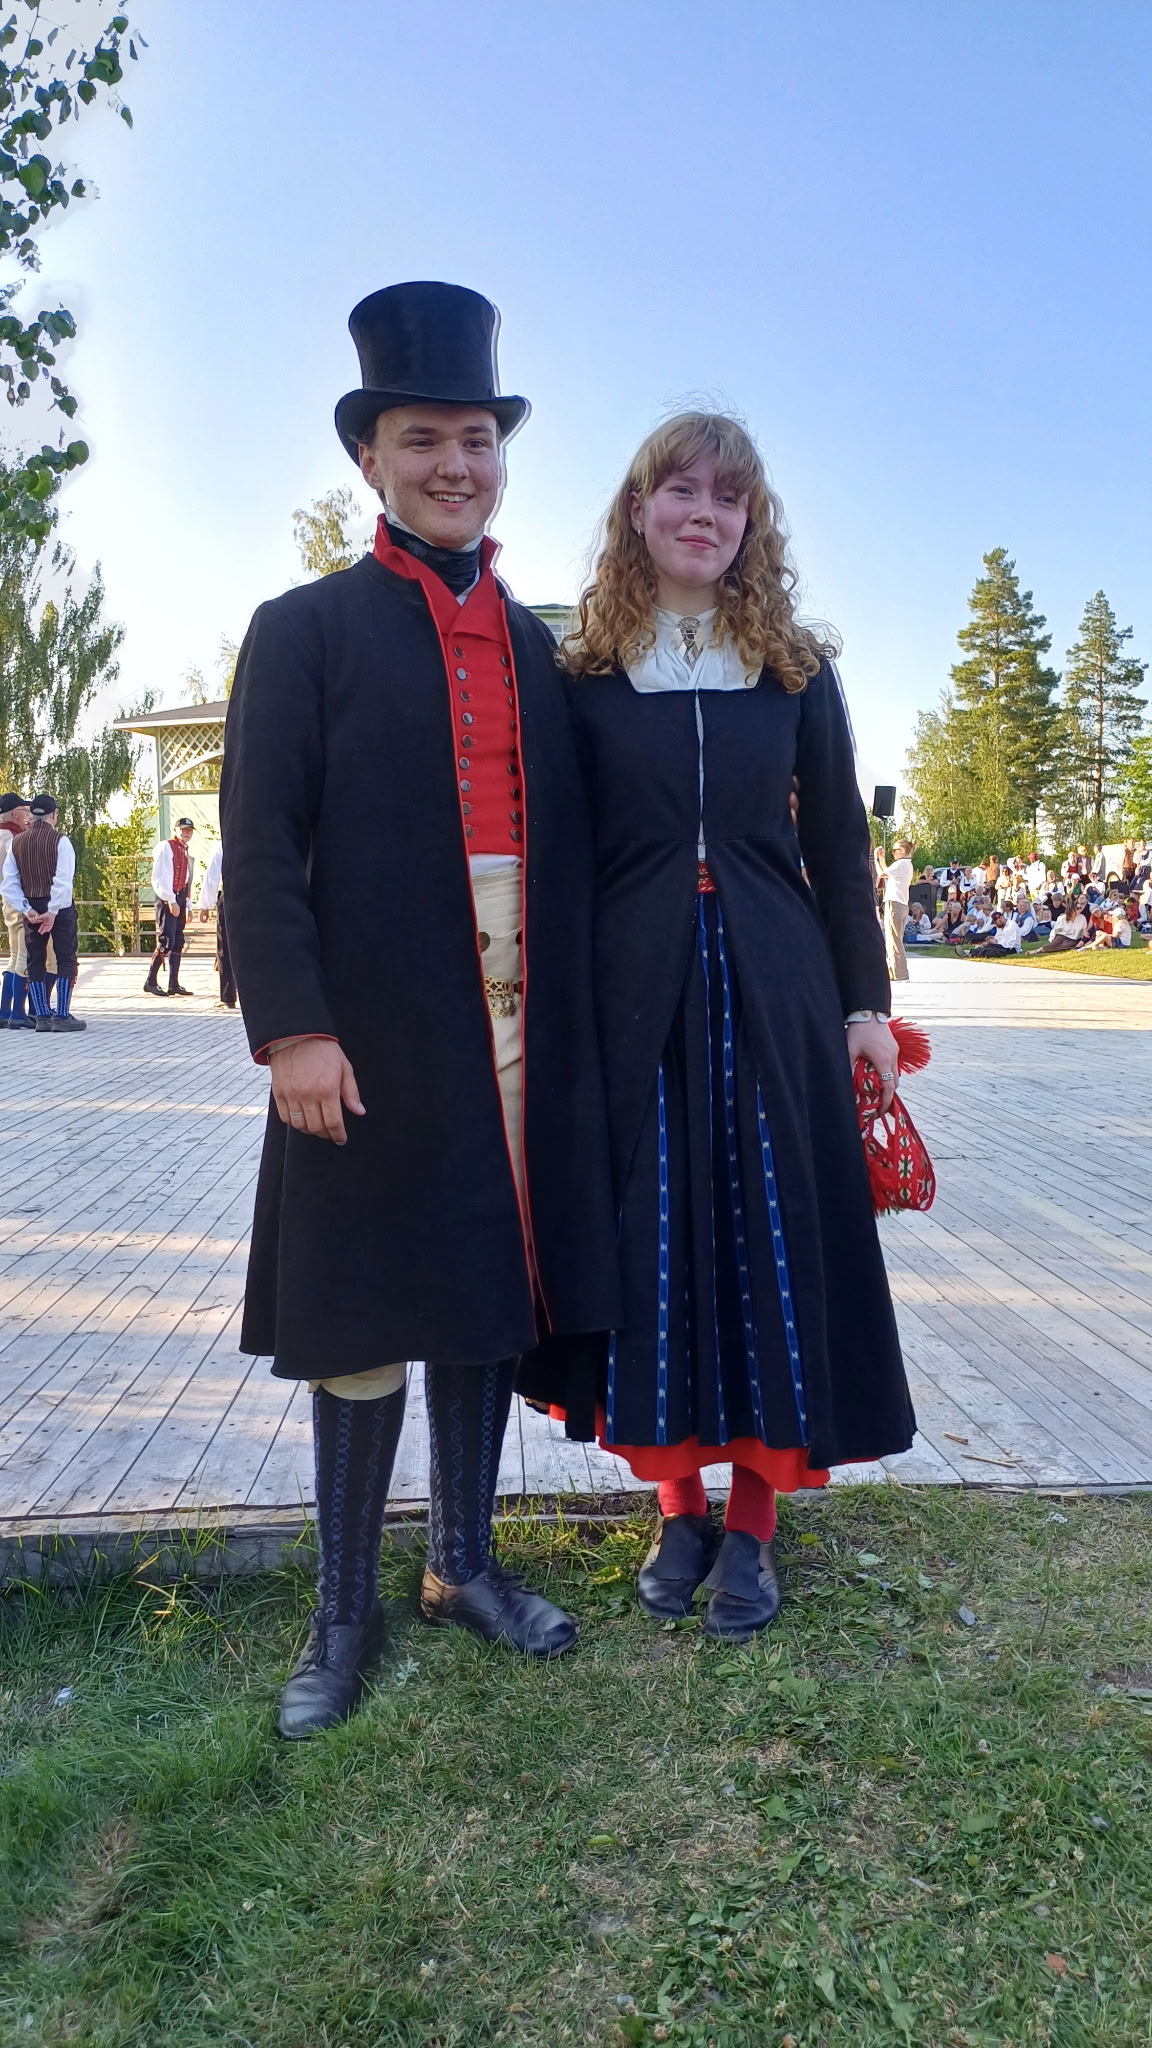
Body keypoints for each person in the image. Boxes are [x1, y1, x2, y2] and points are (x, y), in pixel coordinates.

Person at [219, 280, 619, 1737]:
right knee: (358, 1313)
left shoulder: (544, 642)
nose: (456, 464)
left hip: (522, 1013)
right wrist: (293, 1027)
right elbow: (258, 840)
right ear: (371, 459)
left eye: (476, 438)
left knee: (484, 1287)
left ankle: (461, 1566)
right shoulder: (304, 627)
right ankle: (343, 1613)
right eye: (423, 439)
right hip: (369, 1017)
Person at [521, 410, 914, 1643]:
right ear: (637, 510)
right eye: (679, 489)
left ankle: (754, 1521)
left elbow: (841, 850)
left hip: (773, 986)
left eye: (727, 497)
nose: (703, 511)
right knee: (653, 1241)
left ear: (753, 524)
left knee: (767, 1236)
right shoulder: (582, 669)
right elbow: (554, 851)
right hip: (627, 993)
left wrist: (866, 1009)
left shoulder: (794, 666)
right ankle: (676, 1505)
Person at [0, 793, 85, 1031]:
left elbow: (9, 883)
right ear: (54, 815)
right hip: (58, 908)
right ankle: (62, 1015)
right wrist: (53, 911)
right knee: (65, 958)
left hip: (31, 906)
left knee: (33, 960)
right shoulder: (60, 841)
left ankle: (43, 1016)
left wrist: (27, 908)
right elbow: (63, 880)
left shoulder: (17, 841)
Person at [145, 817, 196, 996]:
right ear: (175, 830)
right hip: (166, 896)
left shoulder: (184, 851)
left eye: (189, 830)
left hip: (179, 897)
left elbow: (187, 880)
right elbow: (157, 878)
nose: (187, 833)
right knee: (166, 941)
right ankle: (150, 981)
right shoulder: (165, 847)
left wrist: (187, 905)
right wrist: (170, 899)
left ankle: (173, 983)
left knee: (178, 941)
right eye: (183, 829)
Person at [0, 791, 34, 1029]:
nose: (28, 815)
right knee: (23, 955)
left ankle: (5, 1010)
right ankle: (18, 1013)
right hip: (19, 897)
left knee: (14, 955)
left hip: (7, 899)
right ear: (15, 813)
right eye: (25, 810)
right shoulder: (12, 838)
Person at [197, 841, 235, 1009]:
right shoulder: (258, 839)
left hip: (230, 894)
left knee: (225, 948)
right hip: (254, 895)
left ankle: (228, 997)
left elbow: (212, 876)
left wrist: (205, 905)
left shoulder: (223, 844)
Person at [874, 836, 914, 982]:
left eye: (895, 850)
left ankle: (901, 974)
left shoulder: (901, 863)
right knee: (894, 939)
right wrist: (882, 859)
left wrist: (877, 859)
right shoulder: (906, 864)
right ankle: (894, 971)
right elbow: (886, 872)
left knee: (894, 940)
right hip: (901, 903)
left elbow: (882, 873)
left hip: (895, 903)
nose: (893, 853)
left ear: (902, 851)